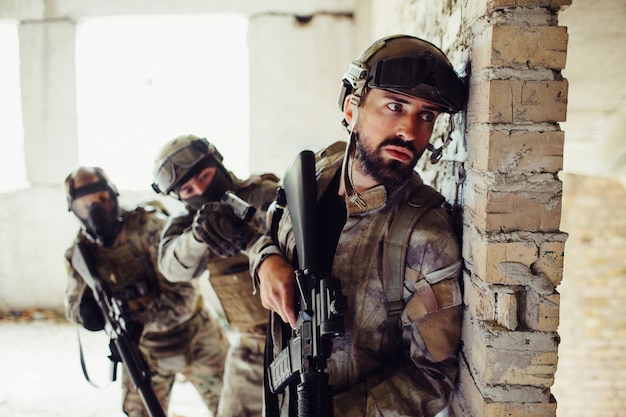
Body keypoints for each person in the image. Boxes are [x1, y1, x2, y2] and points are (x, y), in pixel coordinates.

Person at [249, 34, 466, 416]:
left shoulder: (426, 237)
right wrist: (266, 261)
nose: (409, 130)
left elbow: (433, 375)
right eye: (395, 106)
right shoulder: (314, 173)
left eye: (427, 115)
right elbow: (268, 229)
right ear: (352, 109)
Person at [63, 166, 228, 417]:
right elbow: (73, 304)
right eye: (86, 205)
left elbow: (184, 296)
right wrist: (88, 313)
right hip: (145, 350)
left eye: (102, 200)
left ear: (113, 196)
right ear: (74, 210)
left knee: (235, 408)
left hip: (196, 336)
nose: (96, 211)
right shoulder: (81, 253)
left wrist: (139, 322)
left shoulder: (148, 227)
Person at [151, 134, 281, 417]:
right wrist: (199, 235)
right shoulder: (185, 223)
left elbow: (296, 236)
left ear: (218, 163)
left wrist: (249, 235)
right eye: (188, 189)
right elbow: (172, 269)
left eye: (206, 175)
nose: (201, 188)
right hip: (250, 346)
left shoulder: (264, 192)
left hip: (297, 336)